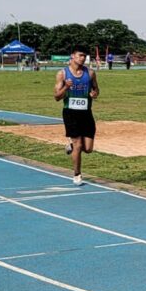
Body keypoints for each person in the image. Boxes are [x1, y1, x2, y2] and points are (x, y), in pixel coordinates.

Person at [54, 45, 100, 186]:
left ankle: (72, 147)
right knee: (78, 144)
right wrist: (66, 87)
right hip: (70, 113)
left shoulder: (90, 73)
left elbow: (96, 89)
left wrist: (94, 94)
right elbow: (56, 97)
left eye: (84, 56)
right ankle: (77, 174)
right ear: (72, 56)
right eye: (80, 55)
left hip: (86, 113)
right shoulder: (62, 74)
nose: (82, 58)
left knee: (88, 148)